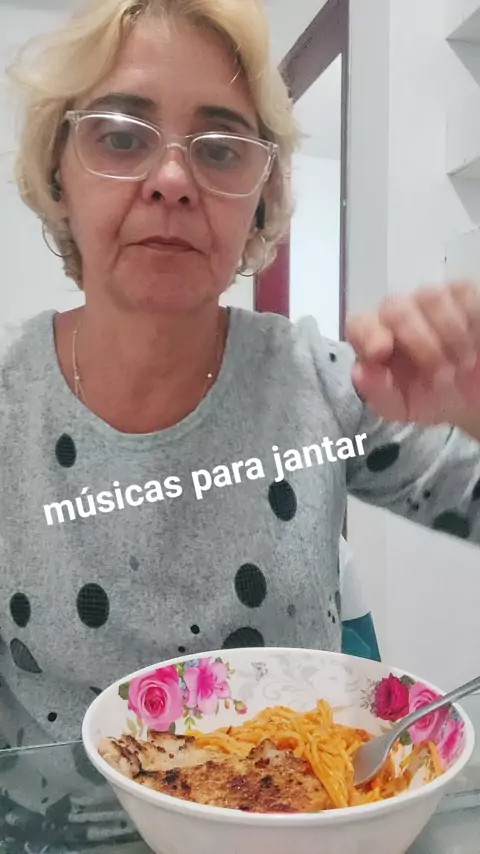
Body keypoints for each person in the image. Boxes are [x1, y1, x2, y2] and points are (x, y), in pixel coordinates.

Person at [1, 0, 480, 798]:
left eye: (221, 149)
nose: (172, 181)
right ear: (60, 172)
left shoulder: (321, 384)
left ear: (260, 195)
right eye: (121, 136)